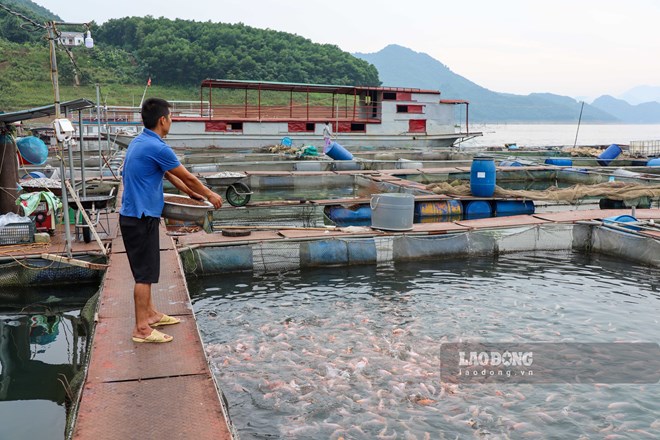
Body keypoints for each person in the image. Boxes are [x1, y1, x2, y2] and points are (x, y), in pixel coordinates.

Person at [120, 97, 223, 343]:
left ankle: (151, 314)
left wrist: (190, 194)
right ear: (163, 120)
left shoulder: (140, 141)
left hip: (136, 215)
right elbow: (186, 176)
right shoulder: (158, 147)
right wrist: (210, 194)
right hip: (140, 217)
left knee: (148, 270)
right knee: (144, 275)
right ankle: (142, 329)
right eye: (171, 117)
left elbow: (167, 173)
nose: (172, 121)